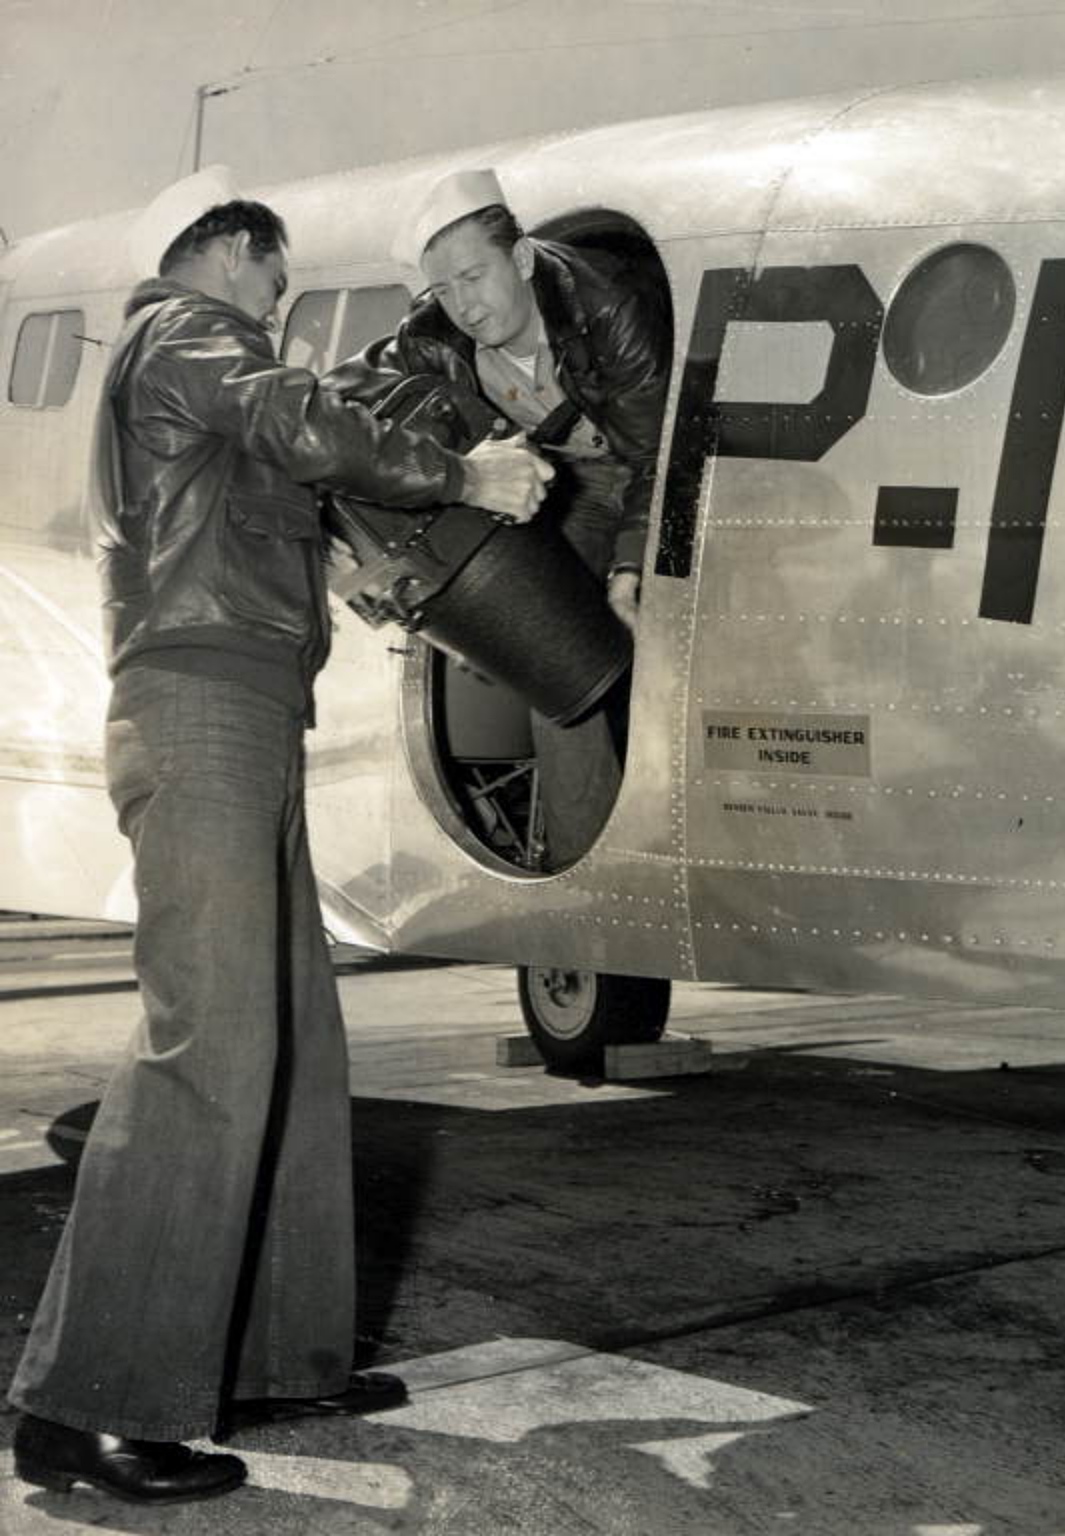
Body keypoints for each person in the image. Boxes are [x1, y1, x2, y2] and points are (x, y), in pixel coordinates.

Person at [6, 165, 551, 1506]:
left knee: (294, 1041)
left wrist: (347, 567)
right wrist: (468, 468)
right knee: (211, 1046)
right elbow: (298, 420)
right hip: (200, 719)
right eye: (275, 276)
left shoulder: (187, 371)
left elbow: (267, 487)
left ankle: (273, 1353)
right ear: (228, 251)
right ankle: (87, 1407)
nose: (280, 302)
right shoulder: (186, 333)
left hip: (242, 714)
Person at [329, 167, 671, 869]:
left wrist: (630, 567)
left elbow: (654, 457)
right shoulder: (429, 336)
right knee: (555, 666)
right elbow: (338, 397)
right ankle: (587, 878)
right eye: (443, 288)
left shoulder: (608, 304)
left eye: (474, 276)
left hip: (633, 472)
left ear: (520, 258)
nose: (464, 306)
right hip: (535, 484)